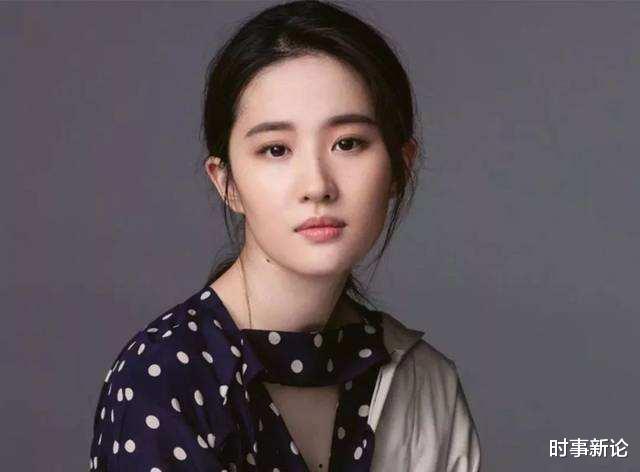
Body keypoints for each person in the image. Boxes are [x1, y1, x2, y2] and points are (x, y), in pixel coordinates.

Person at [88, 1, 481, 471]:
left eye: (348, 143)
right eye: (276, 149)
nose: (316, 185)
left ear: (400, 166)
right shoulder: (163, 379)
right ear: (226, 182)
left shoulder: (423, 384)